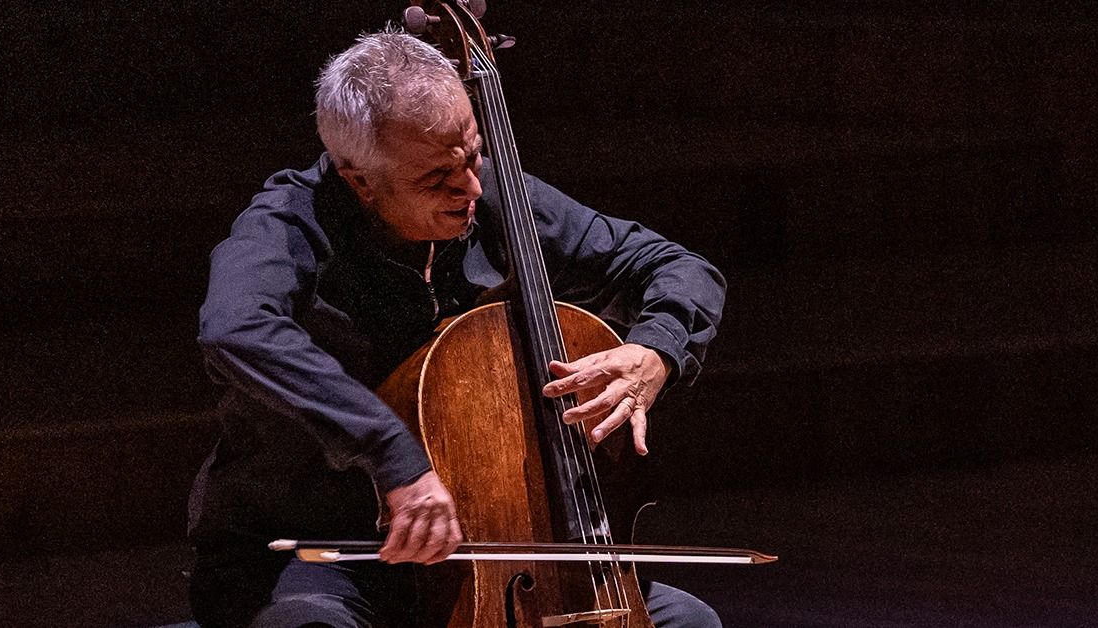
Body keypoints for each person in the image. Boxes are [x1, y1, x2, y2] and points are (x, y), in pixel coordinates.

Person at [189, 30, 726, 628]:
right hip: (319, 551)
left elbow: (674, 266)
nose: (470, 187)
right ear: (358, 178)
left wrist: (657, 349)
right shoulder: (291, 222)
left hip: (492, 556)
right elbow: (235, 328)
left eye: (471, 155)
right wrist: (393, 456)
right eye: (435, 178)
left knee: (689, 622)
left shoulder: (488, 194)